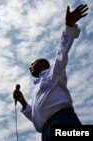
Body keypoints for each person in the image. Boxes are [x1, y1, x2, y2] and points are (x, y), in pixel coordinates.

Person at [13, 4, 88, 141]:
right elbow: (37, 116)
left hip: (62, 122)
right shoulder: (37, 89)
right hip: (46, 132)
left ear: (44, 64)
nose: (30, 67)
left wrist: (69, 26)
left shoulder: (53, 72)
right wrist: (23, 102)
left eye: (33, 63)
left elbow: (62, 53)